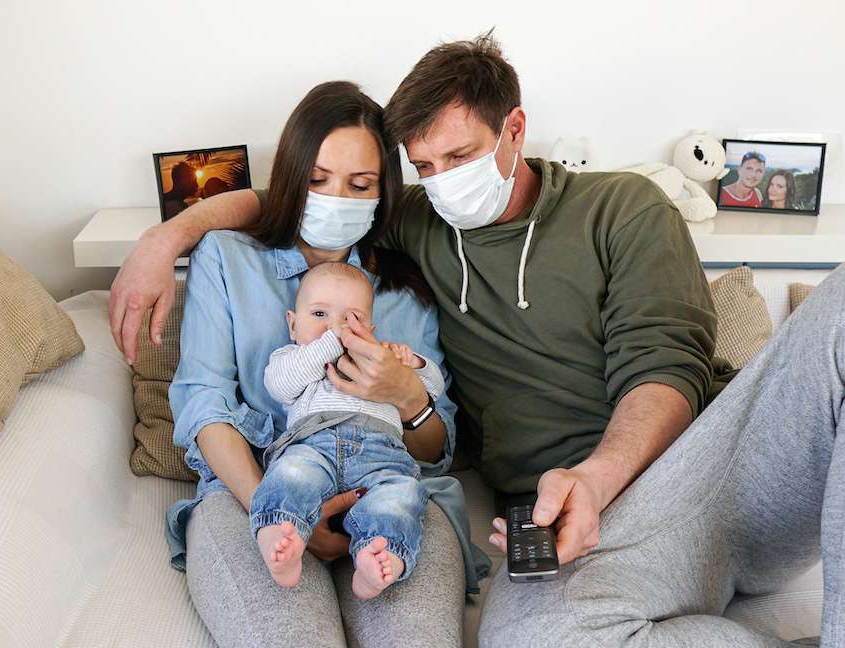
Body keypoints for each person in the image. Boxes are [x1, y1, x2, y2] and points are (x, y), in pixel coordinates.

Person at [111, 31, 836, 645]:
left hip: (710, 464)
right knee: (523, 637)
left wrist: (586, 474)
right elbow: (291, 201)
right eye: (424, 168)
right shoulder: (413, 232)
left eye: (458, 158)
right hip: (563, 514)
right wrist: (169, 234)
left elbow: (664, 360)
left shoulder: (618, 206)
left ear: (514, 131)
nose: (442, 182)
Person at [158, 80, 488, 648]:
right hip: (257, 491)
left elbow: (439, 449)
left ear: (384, 193)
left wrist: (408, 397)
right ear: (289, 177)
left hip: (391, 494)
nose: (336, 198)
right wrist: (281, 508)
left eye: (360, 185)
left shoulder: (405, 290)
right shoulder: (228, 258)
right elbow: (203, 404)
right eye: (316, 181)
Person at [254, 261, 445, 599]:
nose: (335, 328)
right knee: (291, 473)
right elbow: (280, 386)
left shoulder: (380, 361)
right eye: (319, 315)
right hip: (314, 446)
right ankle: (279, 530)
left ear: (370, 327)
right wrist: (330, 344)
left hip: (382, 455)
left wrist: (411, 363)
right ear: (292, 324)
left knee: (400, 495)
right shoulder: (292, 356)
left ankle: (379, 557)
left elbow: (433, 389)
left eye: (351, 319)